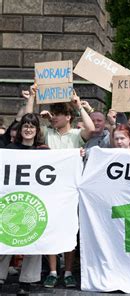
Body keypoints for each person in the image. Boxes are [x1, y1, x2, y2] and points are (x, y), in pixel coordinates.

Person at [39, 93, 94, 289]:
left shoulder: (76, 135)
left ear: (68, 117)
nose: (54, 117)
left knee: (70, 230)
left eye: (58, 114)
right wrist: (38, 110)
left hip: (71, 191)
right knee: (51, 228)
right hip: (50, 190)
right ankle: (53, 271)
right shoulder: (47, 133)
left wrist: (79, 106)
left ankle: (68, 271)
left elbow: (91, 128)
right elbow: (24, 125)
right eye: (52, 114)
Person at [0, 113, 47, 294]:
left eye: (32, 126)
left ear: (37, 130)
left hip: (35, 201)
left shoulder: (44, 152)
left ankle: (27, 281)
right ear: (20, 130)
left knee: (34, 239)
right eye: (25, 126)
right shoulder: (9, 150)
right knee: (5, 236)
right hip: (12, 200)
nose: (28, 129)